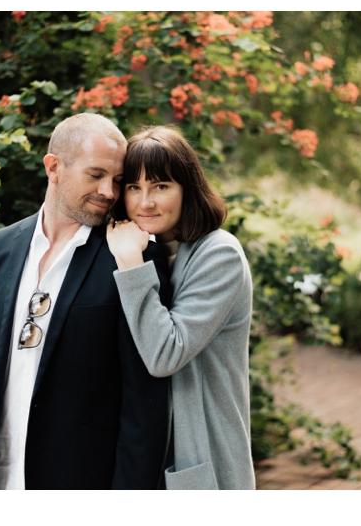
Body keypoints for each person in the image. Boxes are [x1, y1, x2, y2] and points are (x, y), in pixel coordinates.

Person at [0, 113, 170, 489]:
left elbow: (144, 408)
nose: (109, 191)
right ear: (54, 167)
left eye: (118, 181)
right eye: (95, 175)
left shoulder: (131, 256)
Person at [105, 126, 255, 489]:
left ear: (187, 189)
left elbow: (165, 354)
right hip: (149, 457)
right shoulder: (157, 252)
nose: (145, 203)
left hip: (205, 458)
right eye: (133, 187)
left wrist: (129, 261)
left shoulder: (219, 254)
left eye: (160, 186)